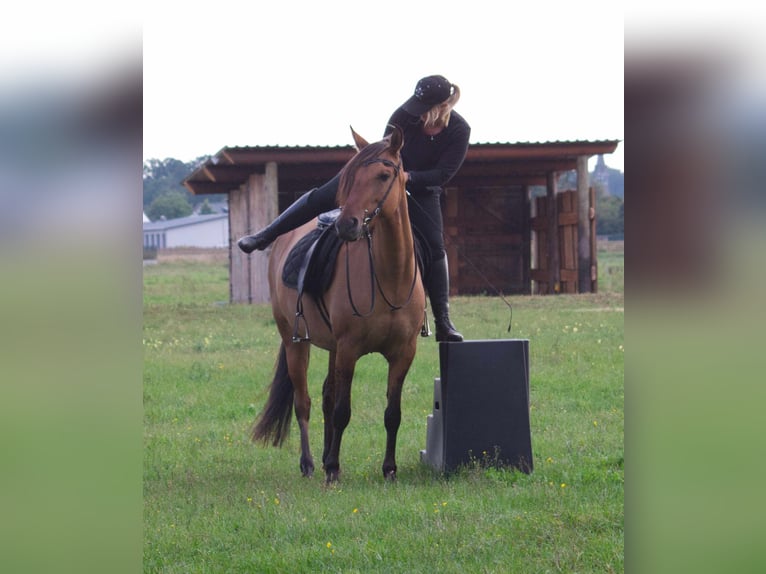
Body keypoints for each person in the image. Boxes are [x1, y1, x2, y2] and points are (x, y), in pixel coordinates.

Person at [238, 75, 470, 342]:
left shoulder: (459, 130)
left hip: (421, 190)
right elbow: (386, 151)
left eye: (424, 108)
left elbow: (444, 173)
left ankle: (443, 321)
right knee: (321, 195)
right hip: (381, 179)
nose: (417, 113)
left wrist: (409, 178)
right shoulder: (405, 114)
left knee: (434, 246)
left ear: (442, 106)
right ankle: (265, 235)